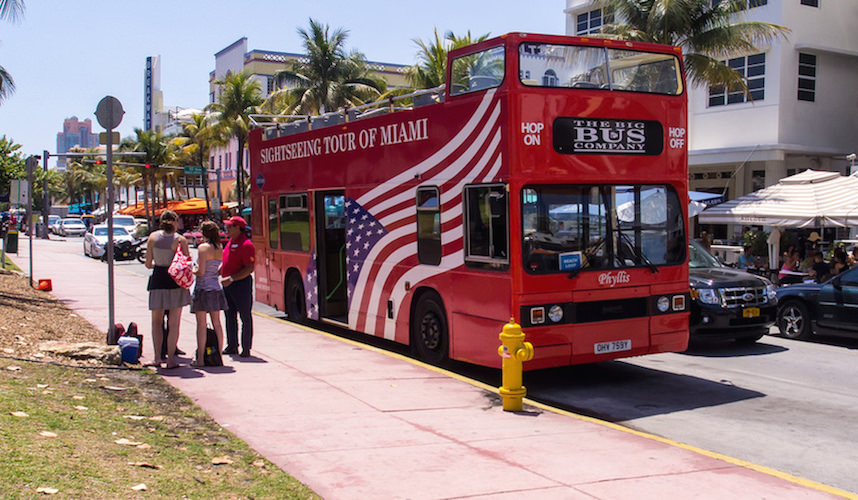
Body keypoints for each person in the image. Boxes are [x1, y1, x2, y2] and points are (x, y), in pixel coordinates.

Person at [145, 210, 191, 369]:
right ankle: (171, 359)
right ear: (175, 222)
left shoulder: (152, 237)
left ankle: (157, 357)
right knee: (174, 323)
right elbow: (186, 263)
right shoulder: (180, 240)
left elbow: (148, 263)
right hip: (174, 282)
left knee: (156, 322)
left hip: (157, 279)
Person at [190, 221, 228, 367]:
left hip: (202, 288)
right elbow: (219, 269)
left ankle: (200, 359)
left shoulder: (203, 248)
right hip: (215, 288)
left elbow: (201, 271)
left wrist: (192, 269)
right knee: (217, 323)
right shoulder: (220, 248)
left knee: (201, 324)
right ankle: (218, 356)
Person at [220, 216, 255, 357]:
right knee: (229, 315)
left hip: (240, 284)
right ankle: (232, 345)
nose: (227, 229)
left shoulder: (246, 245)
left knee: (245, 316)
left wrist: (233, 278)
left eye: (230, 226)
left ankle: (246, 347)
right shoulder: (230, 242)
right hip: (228, 284)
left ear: (238, 228)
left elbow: (249, 268)